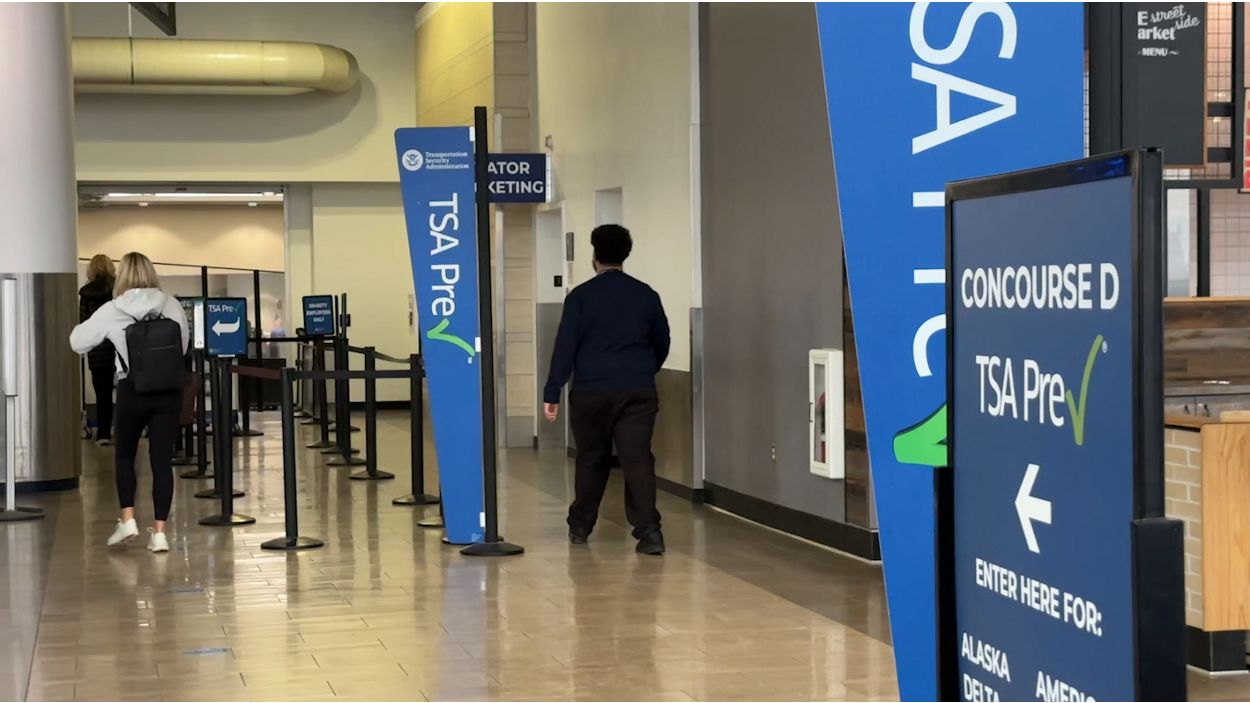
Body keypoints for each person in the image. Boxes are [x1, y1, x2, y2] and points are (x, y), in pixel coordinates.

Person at [543, 224, 671, 555]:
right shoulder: (646, 295)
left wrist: (552, 391)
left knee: (591, 458)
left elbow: (565, 346)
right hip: (637, 391)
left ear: (594, 256)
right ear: (626, 255)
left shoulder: (580, 297)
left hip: (591, 392)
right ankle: (650, 532)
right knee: (637, 458)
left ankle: (580, 526)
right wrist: (644, 370)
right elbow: (662, 341)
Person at [70, 252, 189, 553]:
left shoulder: (114, 309)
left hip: (132, 389)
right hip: (168, 390)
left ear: (121, 276)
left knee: (125, 455)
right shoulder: (171, 305)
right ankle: (159, 534)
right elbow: (183, 346)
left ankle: (128, 520)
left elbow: (77, 342)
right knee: (161, 460)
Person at [79, 255, 117, 446]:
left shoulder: (86, 294)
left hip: (97, 350)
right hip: (117, 346)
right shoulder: (117, 290)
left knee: (103, 394)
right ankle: (129, 429)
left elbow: (84, 322)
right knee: (127, 390)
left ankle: (103, 434)